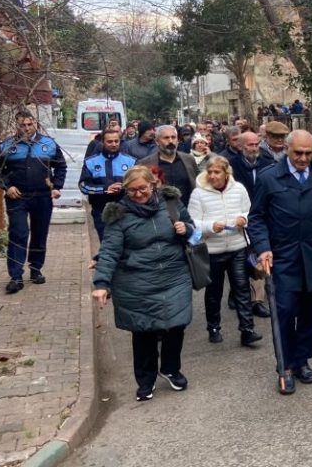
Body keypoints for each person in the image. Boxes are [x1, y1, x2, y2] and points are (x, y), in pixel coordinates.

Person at [247, 130, 312, 395]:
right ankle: (286, 365)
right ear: (287, 151)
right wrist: (263, 248)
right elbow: (256, 218)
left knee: (310, 315)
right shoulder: (269, 178)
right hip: (282, 258)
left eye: (307, 153)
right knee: (285, 311)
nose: (303, 158)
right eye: (298, 153)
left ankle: (303, 360)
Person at [90, 166, 197, 401]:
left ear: (153, 185)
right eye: (132, 191)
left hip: (174, 276)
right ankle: (145, 380)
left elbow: (195, 233)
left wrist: (186, 229)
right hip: (136, 281)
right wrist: (101, 283)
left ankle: (170, 368)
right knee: (143, 331)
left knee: (176, 325)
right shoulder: (119, 215)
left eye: (143, 189)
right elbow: (109, 251)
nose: (138, 194)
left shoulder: (171, 203)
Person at [187, 156, 262, 347]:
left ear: (226, 173)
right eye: (209, 172)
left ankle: (247, 330)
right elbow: (192, 222)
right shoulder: (199, 193)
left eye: (217, 172)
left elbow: (250, 211)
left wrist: (243, 219)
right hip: (212, 250)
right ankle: (213, 327)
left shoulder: (239, 189)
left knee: (242, 288)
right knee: (214, 291)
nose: (212, 176)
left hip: (237, 246)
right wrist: (211, 226)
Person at [0, 111, 68, 293]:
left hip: (42, 196)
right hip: (17, 198)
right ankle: (16, 276)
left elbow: (61, 166)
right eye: (22, 125)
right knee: (18, 233)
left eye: (29, 124)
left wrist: (57, 186)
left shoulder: (48, 144)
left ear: (35, 124)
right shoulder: (7, 145)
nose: (26, 128)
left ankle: (36, 269)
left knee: (39, 233)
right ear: (16, 126)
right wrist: (7, 186)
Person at [227, 131, 277, 319]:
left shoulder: (268, 163)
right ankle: (237, 290)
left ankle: (257, 300)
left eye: (257, 144)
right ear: (241, 146)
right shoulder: (231, 166)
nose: (255, 148)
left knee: (258, 256)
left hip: (263, 218)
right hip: (239, 217)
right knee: (240, 259)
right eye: (250, 145)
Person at [79, 127, 135, 241]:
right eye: (109, 141)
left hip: (126, 210)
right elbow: (83, 185)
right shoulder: (91, 162)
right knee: (106, 243)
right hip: (101, 211)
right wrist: (104, 189)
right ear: (103, 142)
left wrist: (124, 187)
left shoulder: (131, 161)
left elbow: (138, 184)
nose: (113, 144)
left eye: (116, 141)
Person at [139, 125, 198, 205]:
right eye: (166, 138)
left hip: (189, 209)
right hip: (160, 212)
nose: (170, 141)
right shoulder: (145, 164)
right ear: (157, 141)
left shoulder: (189, 160)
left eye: (173, 137)